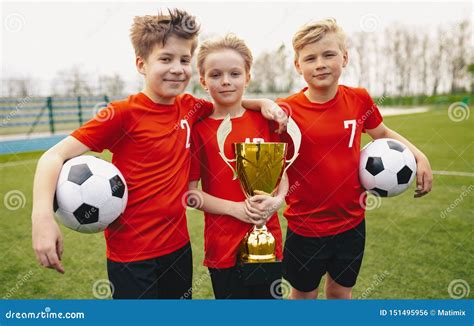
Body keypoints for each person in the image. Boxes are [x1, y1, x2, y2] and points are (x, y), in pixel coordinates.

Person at [31, 9, 286, 299]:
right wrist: (42, 217)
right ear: (141, 63)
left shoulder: (190, 107)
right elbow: (52, 156)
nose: (177, 68)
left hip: (178, 251)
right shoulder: (121, 114)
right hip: (131, 255)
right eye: (165, 59)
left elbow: (230, 100)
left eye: (184, 60)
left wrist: (264, 102)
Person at [267, 18, 432, 299]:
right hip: (305, 227)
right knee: (303, 296)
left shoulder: (359, 100)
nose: (320, 63)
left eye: (328, 54)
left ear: (344, 57)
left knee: (341, 295)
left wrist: (420, 156)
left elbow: (382, 133)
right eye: (310, 58)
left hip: (352, 224)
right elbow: (274, 164)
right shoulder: (286, 111)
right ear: (298, 66)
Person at [188, 34, 288, 299]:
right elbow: (190, 194)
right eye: (216, 75)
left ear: (248, 77)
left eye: (234, 73)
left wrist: (278, 200)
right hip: (223, 246)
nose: (225, 81)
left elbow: (282, 174)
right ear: (203, 81)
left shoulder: (265, 119)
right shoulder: (198, 130)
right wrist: (236, 210)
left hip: (268, 239)